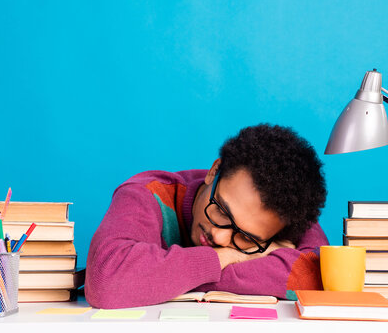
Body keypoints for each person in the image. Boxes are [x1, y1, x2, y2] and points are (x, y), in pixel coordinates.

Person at [85, 123, 328, 308]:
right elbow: (106, 281)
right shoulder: (148, 193)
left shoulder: (288, 210)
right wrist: (231, 256)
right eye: (221, 210)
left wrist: (157, 279)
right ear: (213, 172)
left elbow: (317, 278)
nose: (220, 237)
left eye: (246, 237)